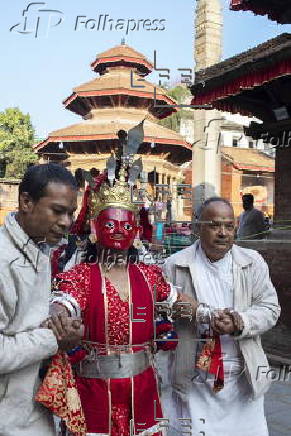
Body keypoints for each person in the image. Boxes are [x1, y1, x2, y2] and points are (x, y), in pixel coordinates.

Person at [37, 161, 178, 436]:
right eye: (109, 223)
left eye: (126, 226)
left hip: (143, 386)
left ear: (136, 231)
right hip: (94, 390)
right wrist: (59, 318)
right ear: (93, 227)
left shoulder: (150, 275)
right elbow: (63, 303)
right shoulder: (80, 276)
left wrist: (209, 313)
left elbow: (178, 300)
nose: (117, 230)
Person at [162, 197, 280, 436]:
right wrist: (203, 316)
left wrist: (240, 322)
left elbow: (270, 308)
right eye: (214, 225)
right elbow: (165, 310)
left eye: (229, 226)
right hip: (195, 377)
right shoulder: (175, 265)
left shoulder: (253, 262)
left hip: (243, 378)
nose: (223, 233)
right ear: (197, 227)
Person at [0, 163, 83, 436]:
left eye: (71, 213)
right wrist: (53, 339)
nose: (66, 222)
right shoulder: (4, 260)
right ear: (26, 202)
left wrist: (59, 322)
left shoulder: (40, 249)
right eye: (58, 211)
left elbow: (24, 320)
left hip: (31, 409)